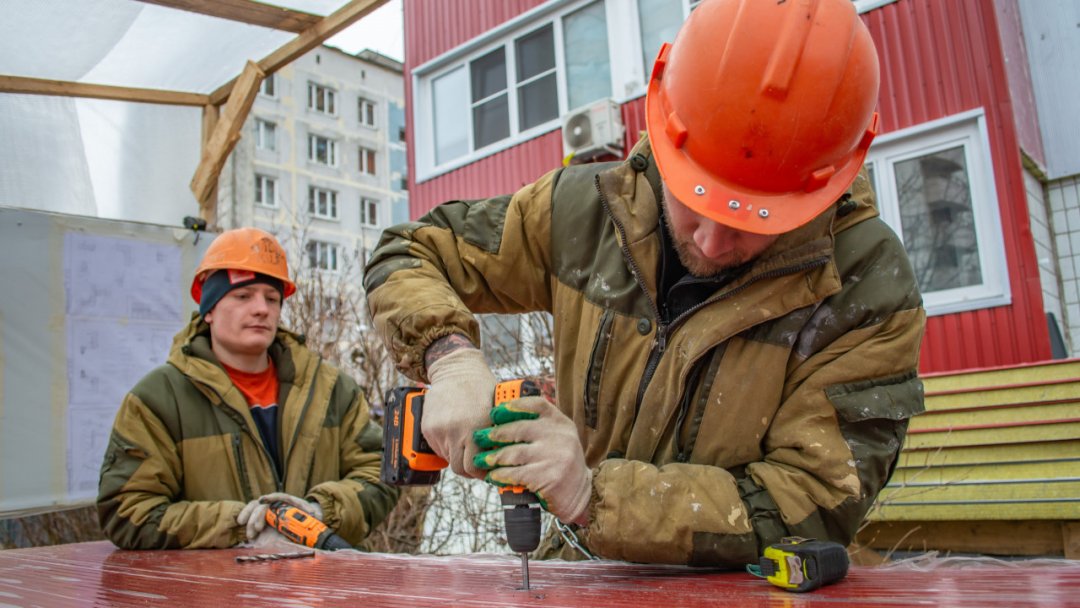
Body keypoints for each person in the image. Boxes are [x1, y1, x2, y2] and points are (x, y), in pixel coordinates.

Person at [364, 0, 924, 566]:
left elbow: (813, 502)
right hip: (583, 577)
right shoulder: (582, 213)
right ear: (666, 136)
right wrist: (450, 356)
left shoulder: (863, 284)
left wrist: (593, 495)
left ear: (820, 189)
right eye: (694, 199)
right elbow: (410, 250)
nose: (709, 242)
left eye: (752, 222)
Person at [98, 227, 399, 549]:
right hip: (217, 592)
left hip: (320, 588)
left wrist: (317, 512)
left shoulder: (331, 389)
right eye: (243, 296)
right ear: (209, 310)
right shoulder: (159, 398)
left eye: (272, 298)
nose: (262, 309)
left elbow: (381, 472)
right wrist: (242, 525)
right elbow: (127, 510)